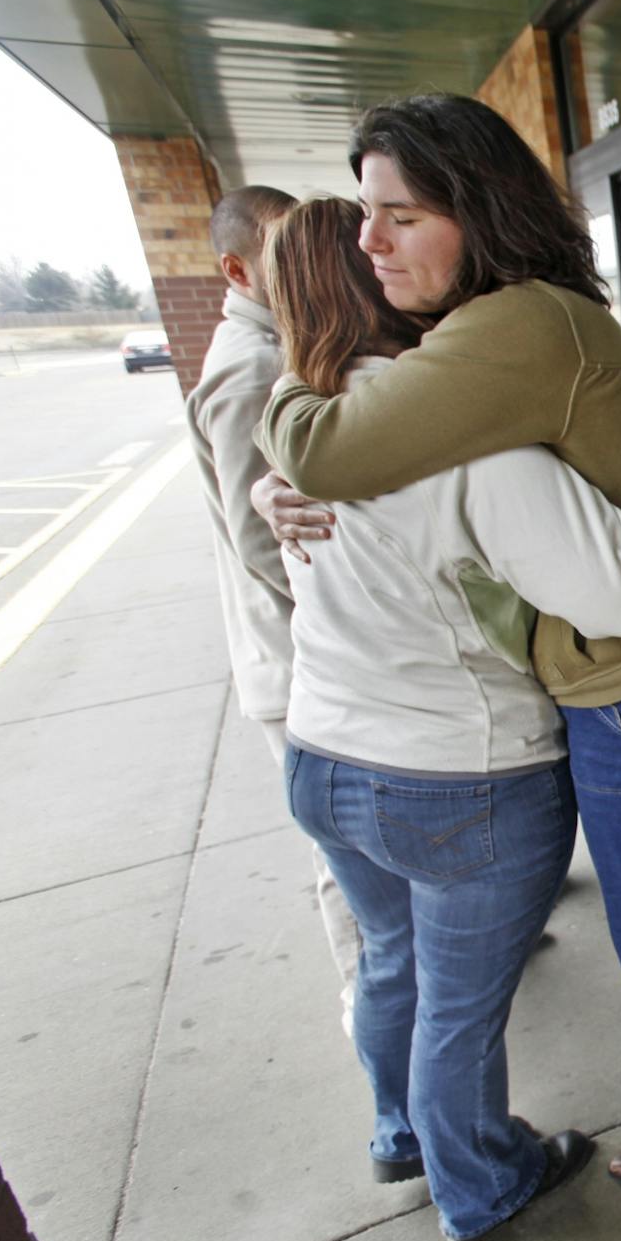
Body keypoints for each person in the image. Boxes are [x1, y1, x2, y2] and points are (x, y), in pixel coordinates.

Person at [253, 93, 621, 1190]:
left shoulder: (508, 328)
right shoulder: (528, 318)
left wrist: (282, 411)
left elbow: (336, 447)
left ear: (474, 210)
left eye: (398, 215)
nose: (369, 240)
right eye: (363, 217)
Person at [184, 183, 365, 1036]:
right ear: (238, 269)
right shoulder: (252, 368)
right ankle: (376, 1027)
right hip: (300, 670)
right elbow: (263, 544)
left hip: (321, 661)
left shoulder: (287, 348)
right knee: (349, 858)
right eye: (282, 251)